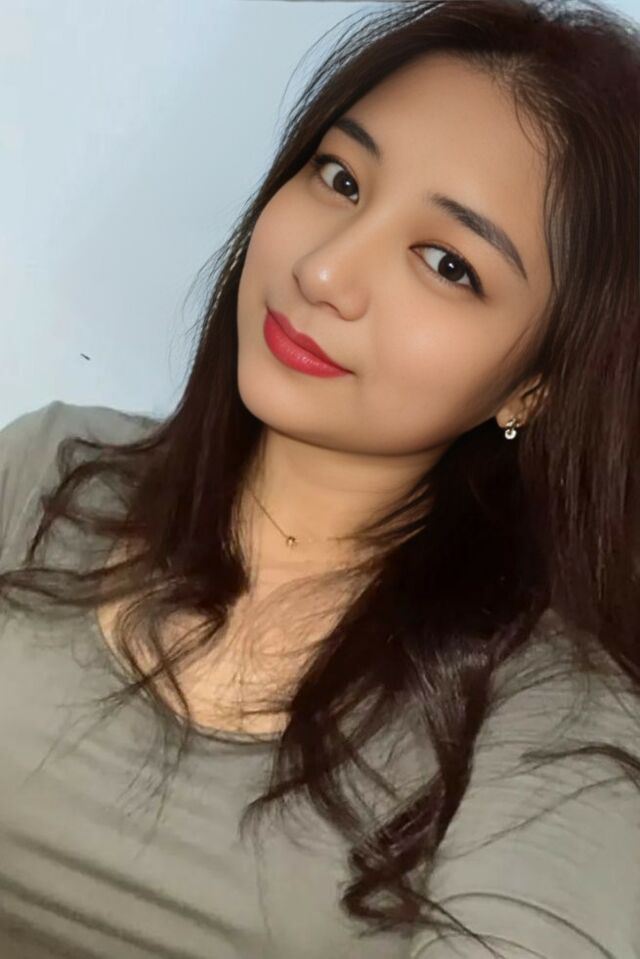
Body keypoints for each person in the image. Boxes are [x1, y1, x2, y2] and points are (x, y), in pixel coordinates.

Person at [1, 0, 639, 955]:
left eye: (446, 263)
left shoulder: (558, 729)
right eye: (340, 179)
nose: (326, 271)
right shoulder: (47, 474)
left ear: (535, 385)